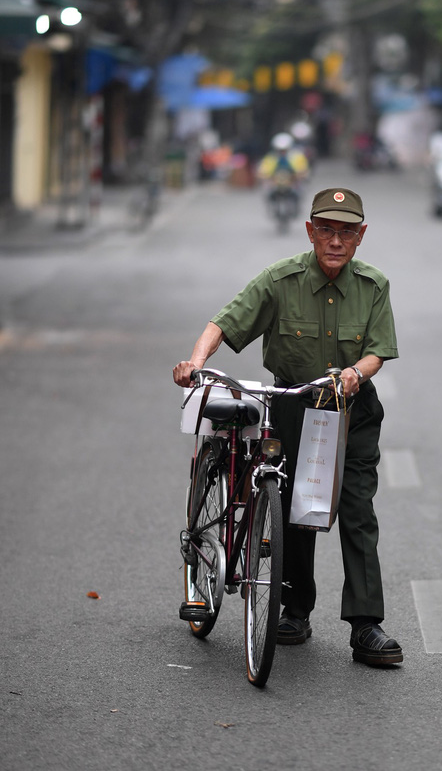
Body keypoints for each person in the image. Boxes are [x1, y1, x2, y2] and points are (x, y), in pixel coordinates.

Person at [173, 187, 403, 667]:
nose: (335, 241)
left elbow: (378, 349)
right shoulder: (281, 280)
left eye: (346, 232)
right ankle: (295, 611)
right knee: (297, 509)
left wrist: (356, 373)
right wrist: (195, 361)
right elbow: (225, 323)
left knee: (357, 511)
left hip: (351, 410)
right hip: (294, 405)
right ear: (309, 231)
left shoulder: (374, 285)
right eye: (326, 230)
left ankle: (366, 627)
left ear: (361, 237)